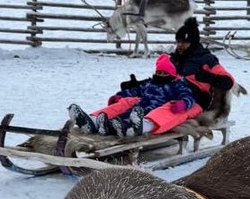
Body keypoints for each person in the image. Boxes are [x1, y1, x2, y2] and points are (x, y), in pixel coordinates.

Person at [67, 54, 198, 137]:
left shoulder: (176, 84)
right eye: (159, 72)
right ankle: (95, 123)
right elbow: (135, 91)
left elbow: (188, 96)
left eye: (165, 73)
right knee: (123, 115)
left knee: (133, 118)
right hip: (139, 108)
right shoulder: (150, 83)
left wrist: (183, 103)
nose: (161, 75)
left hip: (155, 110)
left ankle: (131, 127)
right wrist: (120, 96)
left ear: (172, 74)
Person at [170, 17, 236, 112]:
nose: (180, 45)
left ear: (193, 43)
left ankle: (149, 125)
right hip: (172, 96)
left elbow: (229, 81)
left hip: (195, 101)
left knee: (172, 112)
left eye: (184, 42)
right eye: (178, 41)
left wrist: (208, 77)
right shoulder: (173, 59)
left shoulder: (206, 59)